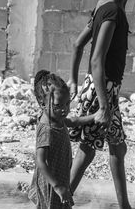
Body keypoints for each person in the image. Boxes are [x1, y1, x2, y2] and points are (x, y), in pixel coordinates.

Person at [67, 0, 135, 209]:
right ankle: (59, 201)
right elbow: (97, 59)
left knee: (111, 148)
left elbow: (78, 44)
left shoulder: (103, 5)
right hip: (104, 90)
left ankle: (122, 206)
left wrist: (74, 81)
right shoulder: (112, 12)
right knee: (96, 149)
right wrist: (103, 104)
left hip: (98, 88)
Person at [28, 70, 97, 209]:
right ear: (42, 103)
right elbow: (40, 161)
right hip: (50, 183)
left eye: (67, 104)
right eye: (58, 105)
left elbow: (72, 121)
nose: (64, 109)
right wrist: (58, 187)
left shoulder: (56, 118)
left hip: (60, 176)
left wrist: (94, 117)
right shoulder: (47, 129)